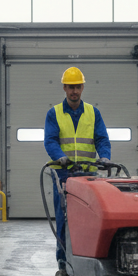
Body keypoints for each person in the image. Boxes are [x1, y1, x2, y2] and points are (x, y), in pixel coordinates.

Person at [44, 66, 111, 265]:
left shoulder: (93, 113)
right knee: (64, 219)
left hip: (88, 176)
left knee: (91, 218)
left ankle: (89, 259)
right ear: (64, 88)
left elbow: (101, 139)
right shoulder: (54, 113)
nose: (74, 91)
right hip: (63, 176)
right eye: (71, 87)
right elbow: (50, 140)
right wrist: (60, 157)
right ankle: (64, 262)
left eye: (77, 87)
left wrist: (105, 157)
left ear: (82, 88)